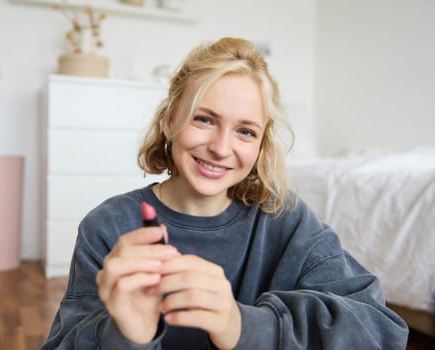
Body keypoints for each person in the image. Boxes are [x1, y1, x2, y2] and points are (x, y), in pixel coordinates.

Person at [41, 37, 408, 349]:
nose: (220, 148)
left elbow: (382, 330)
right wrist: (122, 335)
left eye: (245, 131)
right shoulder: (108, 226)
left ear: (262, 144)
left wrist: (243, 326)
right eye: (204, 119)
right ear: (169, 121)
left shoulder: (287, 222)